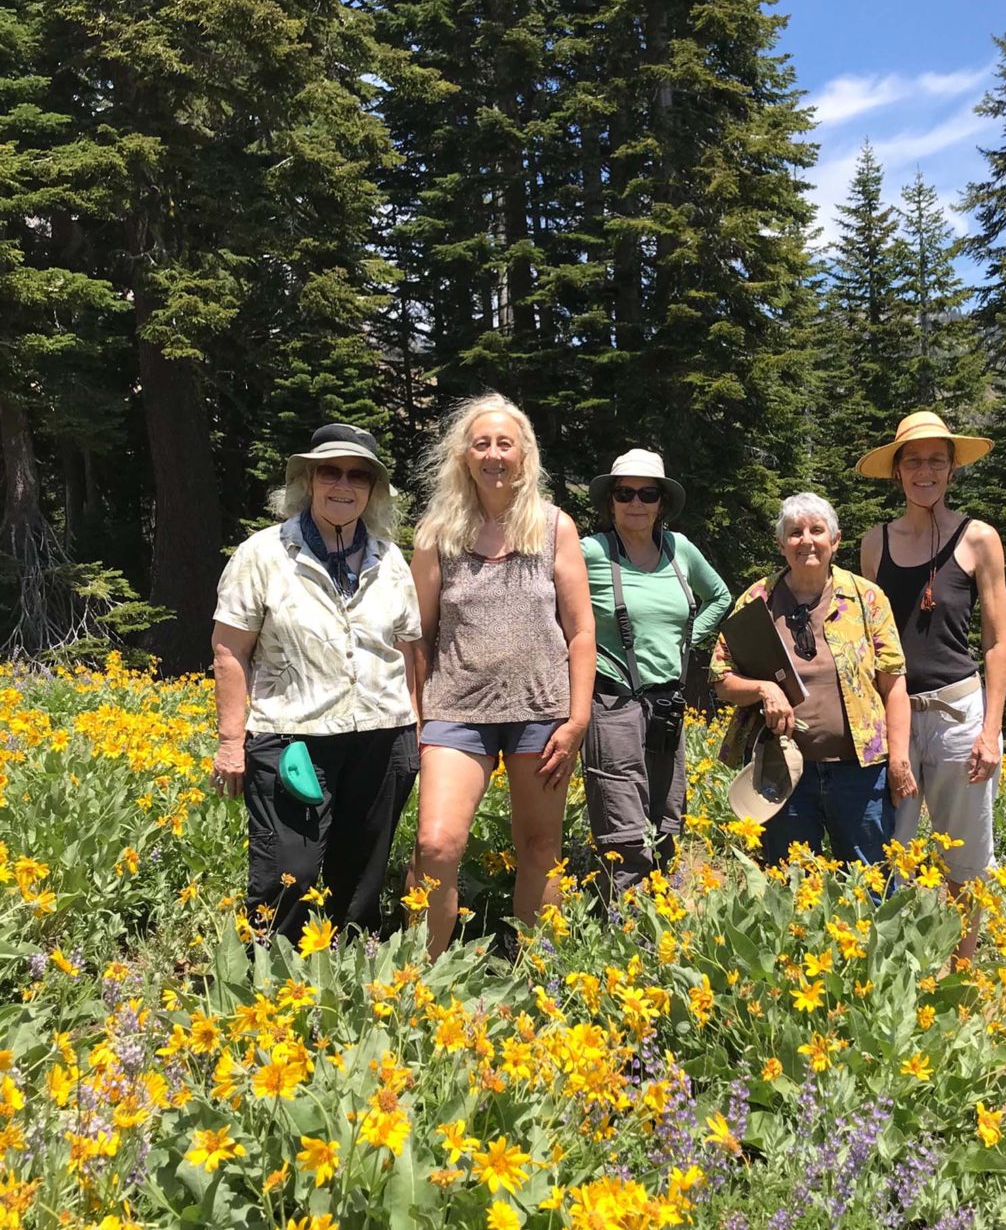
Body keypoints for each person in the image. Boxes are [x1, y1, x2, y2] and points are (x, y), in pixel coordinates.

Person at [211, 423, 422, 943]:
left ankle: (353, 978)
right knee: (290, 871)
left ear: (373, 490)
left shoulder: (390, 558)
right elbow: (229, 650)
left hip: (382, 734)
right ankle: (267, 977)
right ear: (309, 479)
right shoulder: (262, 554)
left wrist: (415, 732)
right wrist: (230, 743)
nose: (343, 485)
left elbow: (409, 647)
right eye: (331, 471)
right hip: (291, 735)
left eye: (358, 475)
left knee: (362, 874)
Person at [409, 393, 595, 958]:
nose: (493, 454)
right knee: (436, 845)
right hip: (454, 712)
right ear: (464, 456)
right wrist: (415, 718)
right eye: (481, 443)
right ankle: (423, 977)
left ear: (525, 454)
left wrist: (578, 717)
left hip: (542, 713)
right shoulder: (436, 534)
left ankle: (540, 974)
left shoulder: (555, 527)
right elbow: (416, 635)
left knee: (541, 847)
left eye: (504, 443)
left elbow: (581, 631)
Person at [857, 411, 1006, 961]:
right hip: (892, 718)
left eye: (937, 461)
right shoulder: (874, 544)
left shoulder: (980, 539)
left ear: (951, 469)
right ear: (897, 472)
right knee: (884, 850)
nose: (926, 471)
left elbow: (996, 642)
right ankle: (887, 968)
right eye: (914, 461)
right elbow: (868, 641)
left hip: (957, 714)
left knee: (965, 859)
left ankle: (961, 970)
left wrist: (990, 731)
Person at [711, 492, 916, 869]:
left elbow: (894, 684)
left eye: (817, 530)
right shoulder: (758, 599)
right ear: (780, 543)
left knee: (868, 882)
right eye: (795, 532)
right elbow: (721, 678)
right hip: (784, 768)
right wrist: (764, 688)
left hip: (861, 770)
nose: (806, 540)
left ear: (835, 541)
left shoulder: (867, 598)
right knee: (789, 881)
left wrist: (899, 760)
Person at [582, 450, 731, 898]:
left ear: (661, 502)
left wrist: (688, 641)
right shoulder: (591, 553)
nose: (636, 502)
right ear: (611, 501)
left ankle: (662, 915)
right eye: (625, 493)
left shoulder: (679, 548)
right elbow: (558, 611)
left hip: (668, 704)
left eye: (648, 493)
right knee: (623, 828)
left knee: (668, 818)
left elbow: (719, 597)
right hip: (613, 703)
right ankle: (625, 932)